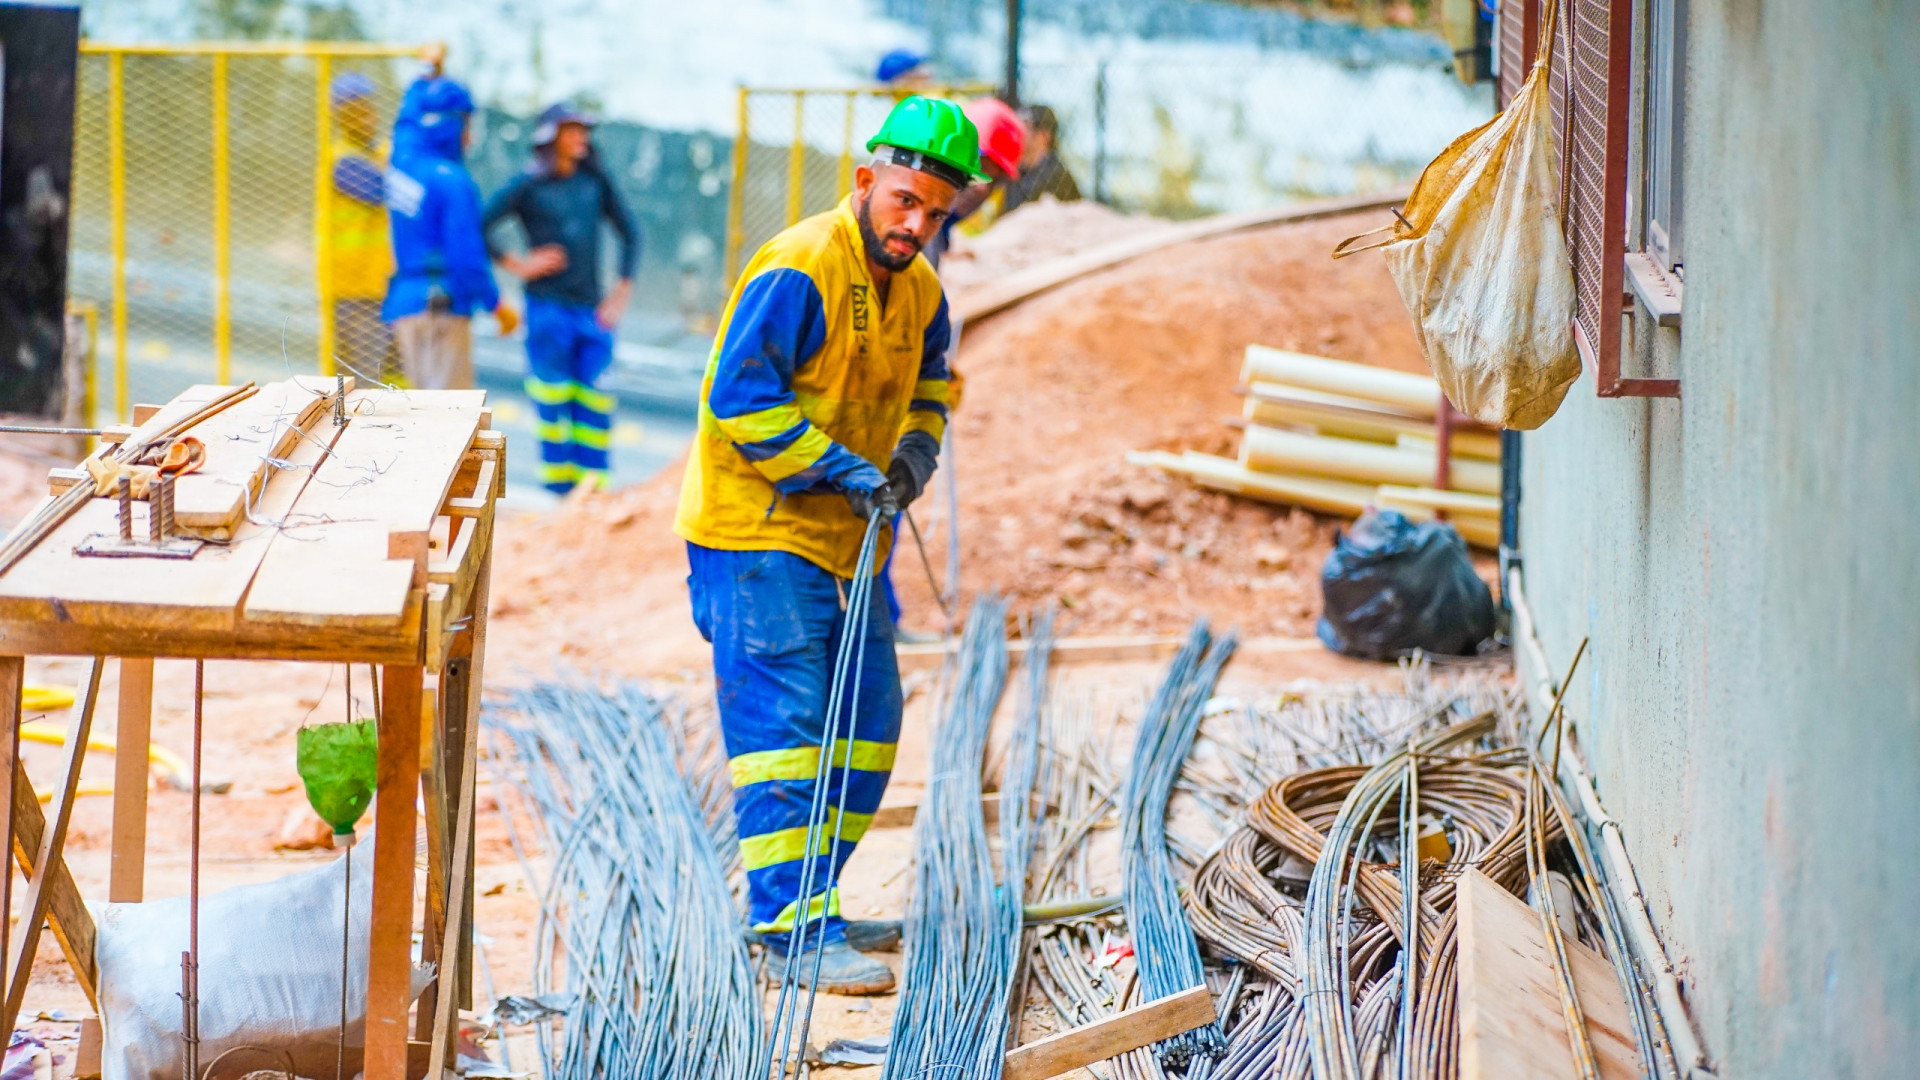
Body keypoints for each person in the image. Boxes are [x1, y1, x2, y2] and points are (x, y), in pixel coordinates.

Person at [674, 95, 979, 995]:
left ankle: (811, 899)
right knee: (786, 736)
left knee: (870, 724)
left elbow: (932, 387)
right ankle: (791, 927)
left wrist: (917, 451)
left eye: (933, 210)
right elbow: (737, 400)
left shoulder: (922, 288)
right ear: (865, 182)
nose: (915, 224)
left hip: (852, 546)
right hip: (758, 539)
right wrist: (845, 471)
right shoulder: (802, 263)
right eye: (903, 202)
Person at [484, 103, 641, 495]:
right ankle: (560, 496)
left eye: (583, 131)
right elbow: (479, 225)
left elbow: (631, 232)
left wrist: (621, 292)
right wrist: (518, 264)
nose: (580, 139)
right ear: (550, 137)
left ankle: (593, 493)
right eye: (571, 131)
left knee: (596, 404)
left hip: (592, 313)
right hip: (547, 311)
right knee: (552, 404)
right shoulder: (528, 186)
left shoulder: (595, 181)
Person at [382, 76, 516, 390]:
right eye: (467, 125)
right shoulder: (454, 182)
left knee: (413, 415)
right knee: (448, 420)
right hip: (440, 313)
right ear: (451, 127)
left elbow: (406, 118)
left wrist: (426, 73)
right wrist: (497, 305)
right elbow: (466, 258)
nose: (470, 138)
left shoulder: (402, 161)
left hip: (403, 307)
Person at [325, 72, 401, 385]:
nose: (365, 116)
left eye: (367, 108)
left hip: (387, 283)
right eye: (354, 110)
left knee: (397, 376)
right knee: (362, 382)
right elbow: (382, 189)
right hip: (356, 290)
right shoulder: (341, 160)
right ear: (340, 116)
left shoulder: (379, 152)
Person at [1004, 103, 1083, 212]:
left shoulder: (1056, 176)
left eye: (1024, 126)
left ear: (1044, 136)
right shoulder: (1016, 174)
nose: (1015, 131)